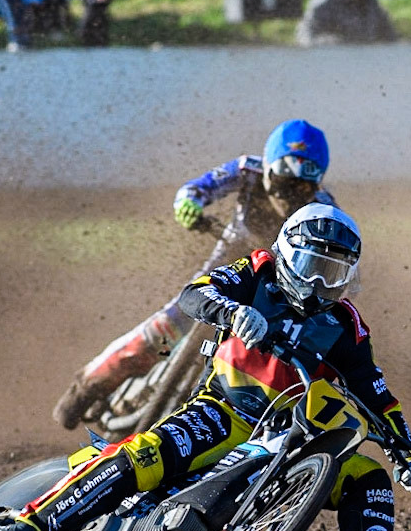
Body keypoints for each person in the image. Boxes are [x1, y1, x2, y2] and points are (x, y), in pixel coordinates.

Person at [8, 204, 411, 531]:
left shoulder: (346, 325)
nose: (322, 283)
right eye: (313, 267)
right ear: (286, 252)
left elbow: (375, 394)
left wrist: (408, 455)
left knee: (369, 476)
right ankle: (34, 527)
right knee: (142, 456)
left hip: (293, 436)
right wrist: (232, 313)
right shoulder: (256, 272)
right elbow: (195, 294)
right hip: (224, 411)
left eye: (335, 272)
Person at [54, 119, 339, 429]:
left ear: (317, 184)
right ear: (269, 168)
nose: (290, 196)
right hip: (222, 270)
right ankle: (85, 388)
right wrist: (188, 205)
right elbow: (197, 189)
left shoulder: (324, 209)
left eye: (302, 188)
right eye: (284, 182)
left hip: (272, 291)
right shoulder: (247, 170)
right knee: (163, 327)